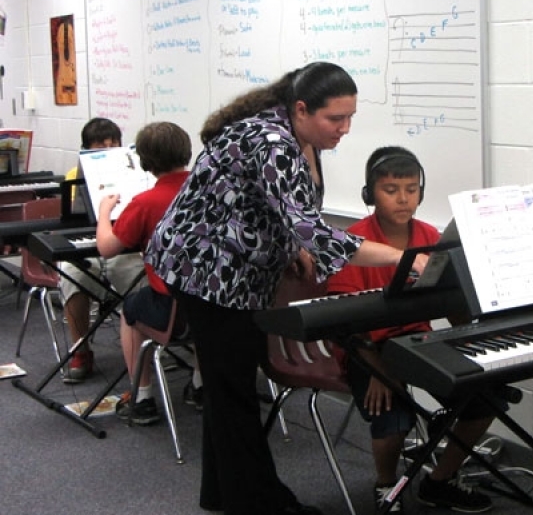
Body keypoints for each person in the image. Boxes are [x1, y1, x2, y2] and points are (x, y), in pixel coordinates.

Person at [145, 62, 429, 515]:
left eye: (351, 117)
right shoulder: (274, 142)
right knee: (234, 392)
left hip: (229, 269)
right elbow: (315, 230)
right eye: (335, 119)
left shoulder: (297, 135)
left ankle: (223, 494)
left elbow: (274, 209)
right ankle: (260, 503)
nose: (345, 129)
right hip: (207, 273)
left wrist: (288, 245)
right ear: (300, 109)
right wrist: (399, 256)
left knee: (226, 389)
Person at [326, 146, 494, 514]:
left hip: (415, 340)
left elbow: (445, 297)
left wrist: (474, 338)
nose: (404, 199)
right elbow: (344, 320)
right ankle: (386, 486)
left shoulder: (428, 233)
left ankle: (439, 481)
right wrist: (377, 369)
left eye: (412, 188)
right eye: (391, 190)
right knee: (393, 411)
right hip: (366, 348)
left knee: (484, 398)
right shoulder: (353, 242)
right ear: (370, 194)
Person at [94, 121, 196, 425]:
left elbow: (107, 248)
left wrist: (104, 212)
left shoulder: (144, 202)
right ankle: (201, 388)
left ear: (145, 162)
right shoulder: (209, 193)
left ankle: (142, 397)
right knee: (202, 306)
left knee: (131, 310)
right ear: (187, 152)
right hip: (215, 306)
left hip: (172, 315)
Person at [60, 117, 147, 383]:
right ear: (87, 149)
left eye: (114, 144)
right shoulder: (76, 176)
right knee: (69, 270)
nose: (109, 150)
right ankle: (81, 350)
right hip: (92, 247)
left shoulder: (138, 170)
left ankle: (146, 349)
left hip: (127, 248)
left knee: (142, 276)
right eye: (100, 146)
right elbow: (72, 221)